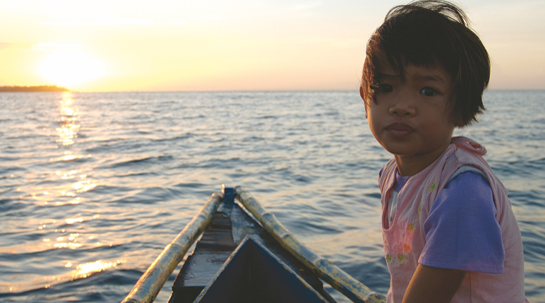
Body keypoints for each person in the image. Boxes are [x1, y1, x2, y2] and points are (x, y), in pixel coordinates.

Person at [359, 1, 527, 302]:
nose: (401, 106)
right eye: (384, 87)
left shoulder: (462, 190)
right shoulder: (392, 174)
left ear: (462, 108)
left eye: (427, 91)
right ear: (364, 96)